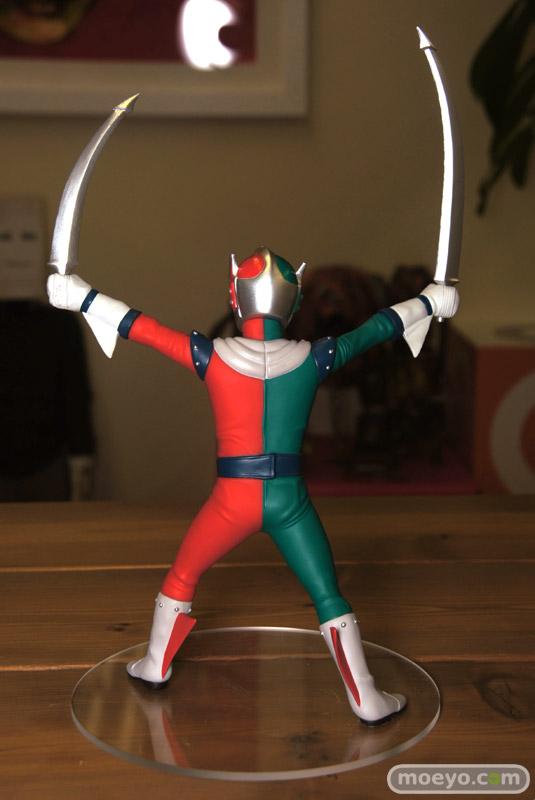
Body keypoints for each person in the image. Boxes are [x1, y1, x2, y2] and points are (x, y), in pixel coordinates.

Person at [47, 246, 459, 724]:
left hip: (232, 499)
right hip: (290, 500)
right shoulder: (316, 357)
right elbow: (378, 328)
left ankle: (156, 665)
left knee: (182, 577)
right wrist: (429, 302)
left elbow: (140, 327)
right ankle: (365, 697)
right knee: (328, 595)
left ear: (234, 295)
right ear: (296, 303)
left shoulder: (209, 355)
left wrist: (81, 296)